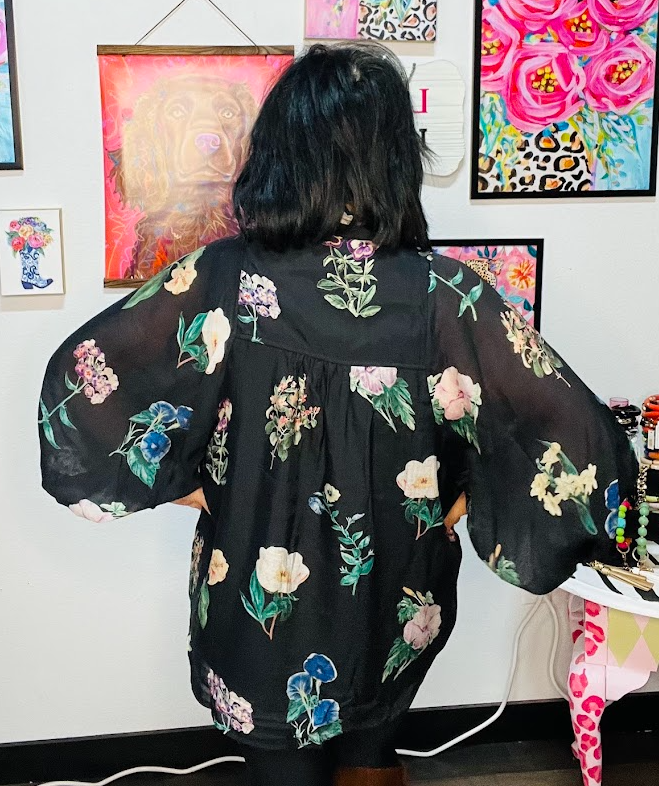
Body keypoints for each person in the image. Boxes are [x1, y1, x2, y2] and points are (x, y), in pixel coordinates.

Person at [39, 43, 637, 786]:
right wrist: (456, 505)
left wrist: (199, 492)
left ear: (279, 153)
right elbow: (578, 439)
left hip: (255, 598)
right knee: (372, 752)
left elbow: (82, 391)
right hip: (395, 592)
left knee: (285, 771)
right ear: (393, 160)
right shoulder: (443, 293)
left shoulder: (224, 276)